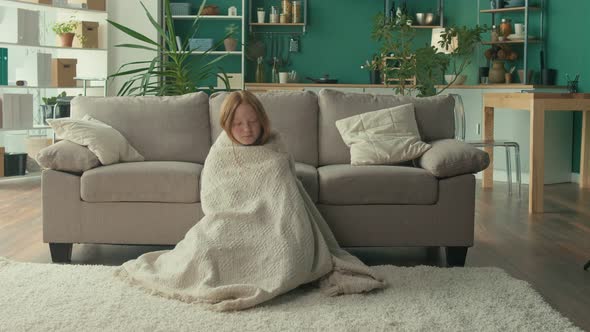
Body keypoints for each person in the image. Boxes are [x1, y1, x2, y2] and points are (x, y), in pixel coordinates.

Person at [114, 90, 386, 312]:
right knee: (205, 250)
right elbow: (213, 197)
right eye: (238, 123)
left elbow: (285, 188)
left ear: (262, 120)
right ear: (227, 125)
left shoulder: (276, 145)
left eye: (252, 121)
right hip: (230, 217)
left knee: (289, 248)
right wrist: (238, 214)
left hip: (276, 218)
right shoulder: (221, 151)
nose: (246, 129)